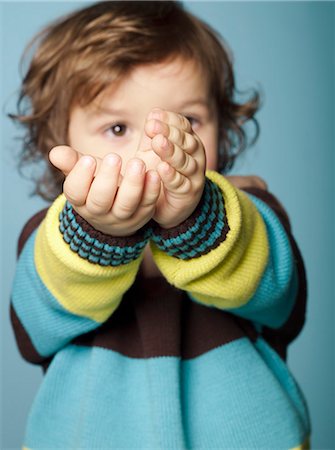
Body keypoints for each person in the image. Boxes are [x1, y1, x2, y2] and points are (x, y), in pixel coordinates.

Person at [10, 1, 310, 449]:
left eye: (187, 121)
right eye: (116, 129)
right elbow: (34, 329)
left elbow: (283, 300)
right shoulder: (54, 237)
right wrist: (100, 234)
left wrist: (200, 216)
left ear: (222, 133)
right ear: (62, 142)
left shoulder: (247, 212)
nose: (153, 150)